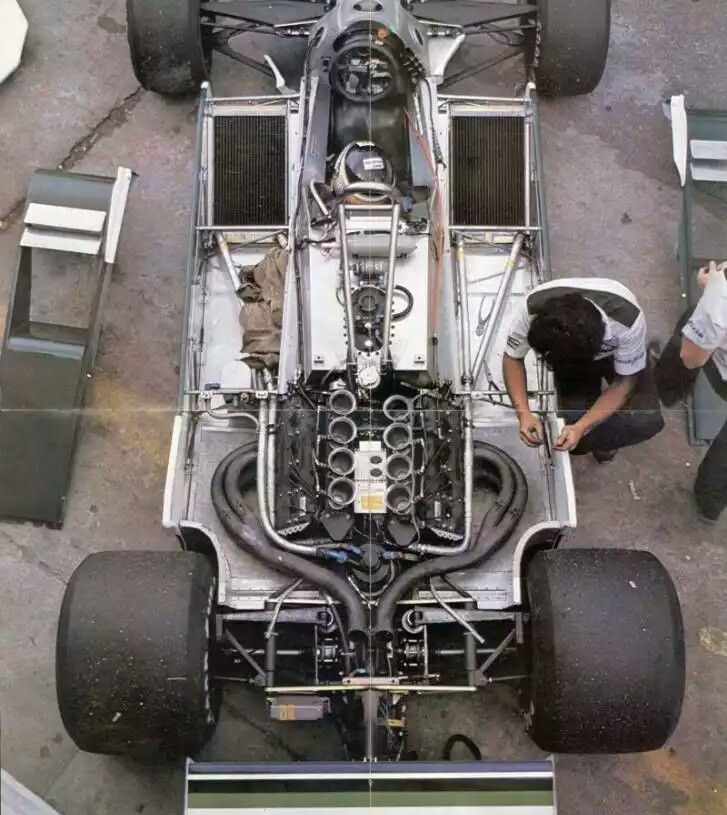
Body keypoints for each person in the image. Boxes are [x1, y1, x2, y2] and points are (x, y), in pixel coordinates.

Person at [502, 278, 664, 461]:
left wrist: (582, 427)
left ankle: (604, 438)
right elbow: (512, 358)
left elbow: (623, 384)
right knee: (572, 434)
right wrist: (523, 414)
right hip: (575, 355)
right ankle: (590, 437)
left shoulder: (628, 322)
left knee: (646, 420)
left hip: (617, 347)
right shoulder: (531, 308)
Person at [653, 261, 727, 522]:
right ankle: (710, 504)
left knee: (689, 336)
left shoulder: (720, 299)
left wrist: (710, 291)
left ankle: (667, 388)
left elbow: (691, 358)